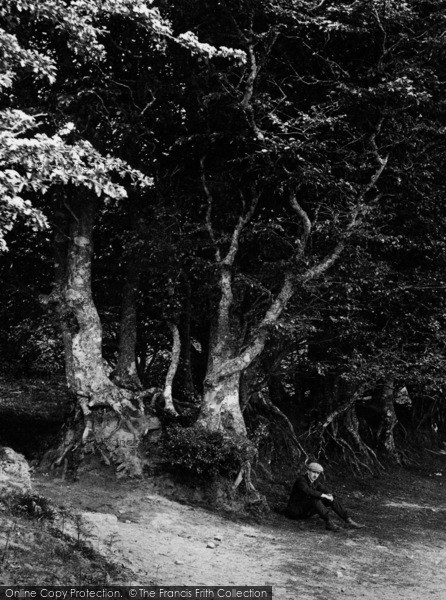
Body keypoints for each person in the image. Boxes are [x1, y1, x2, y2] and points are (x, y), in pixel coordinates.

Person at [284, 462, 365, 531]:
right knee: (314, 499)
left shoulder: (315, 481)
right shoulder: (301, 480)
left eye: (318, 473)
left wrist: (330, 495)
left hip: (306, 511)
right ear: (308, 471)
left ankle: (348, 520)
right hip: (295, 512)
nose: (315, 475)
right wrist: (324, 495)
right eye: (314, 472)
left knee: (331, 498)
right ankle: (328, 522)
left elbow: (323, 489)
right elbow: (309, 491)